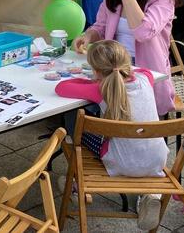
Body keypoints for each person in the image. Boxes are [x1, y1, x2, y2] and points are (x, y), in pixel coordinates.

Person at [56, 40, 168, 231]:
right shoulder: (145, 78)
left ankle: (75, 184)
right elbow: (142, 71)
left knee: (75, 121)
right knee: (118, 132)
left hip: (120, 162)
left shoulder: (100, 89)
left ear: (97, 71)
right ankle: (152, 194)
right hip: (157, 161)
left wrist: (93, 81)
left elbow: (62, 87)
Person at [73, 0, 182, 116]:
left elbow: (143, 32)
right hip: (112, 66)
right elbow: (101, 25)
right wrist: (88, 36)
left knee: (126, 115)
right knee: (79, 107)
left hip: (145, 72)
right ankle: (94, 140)